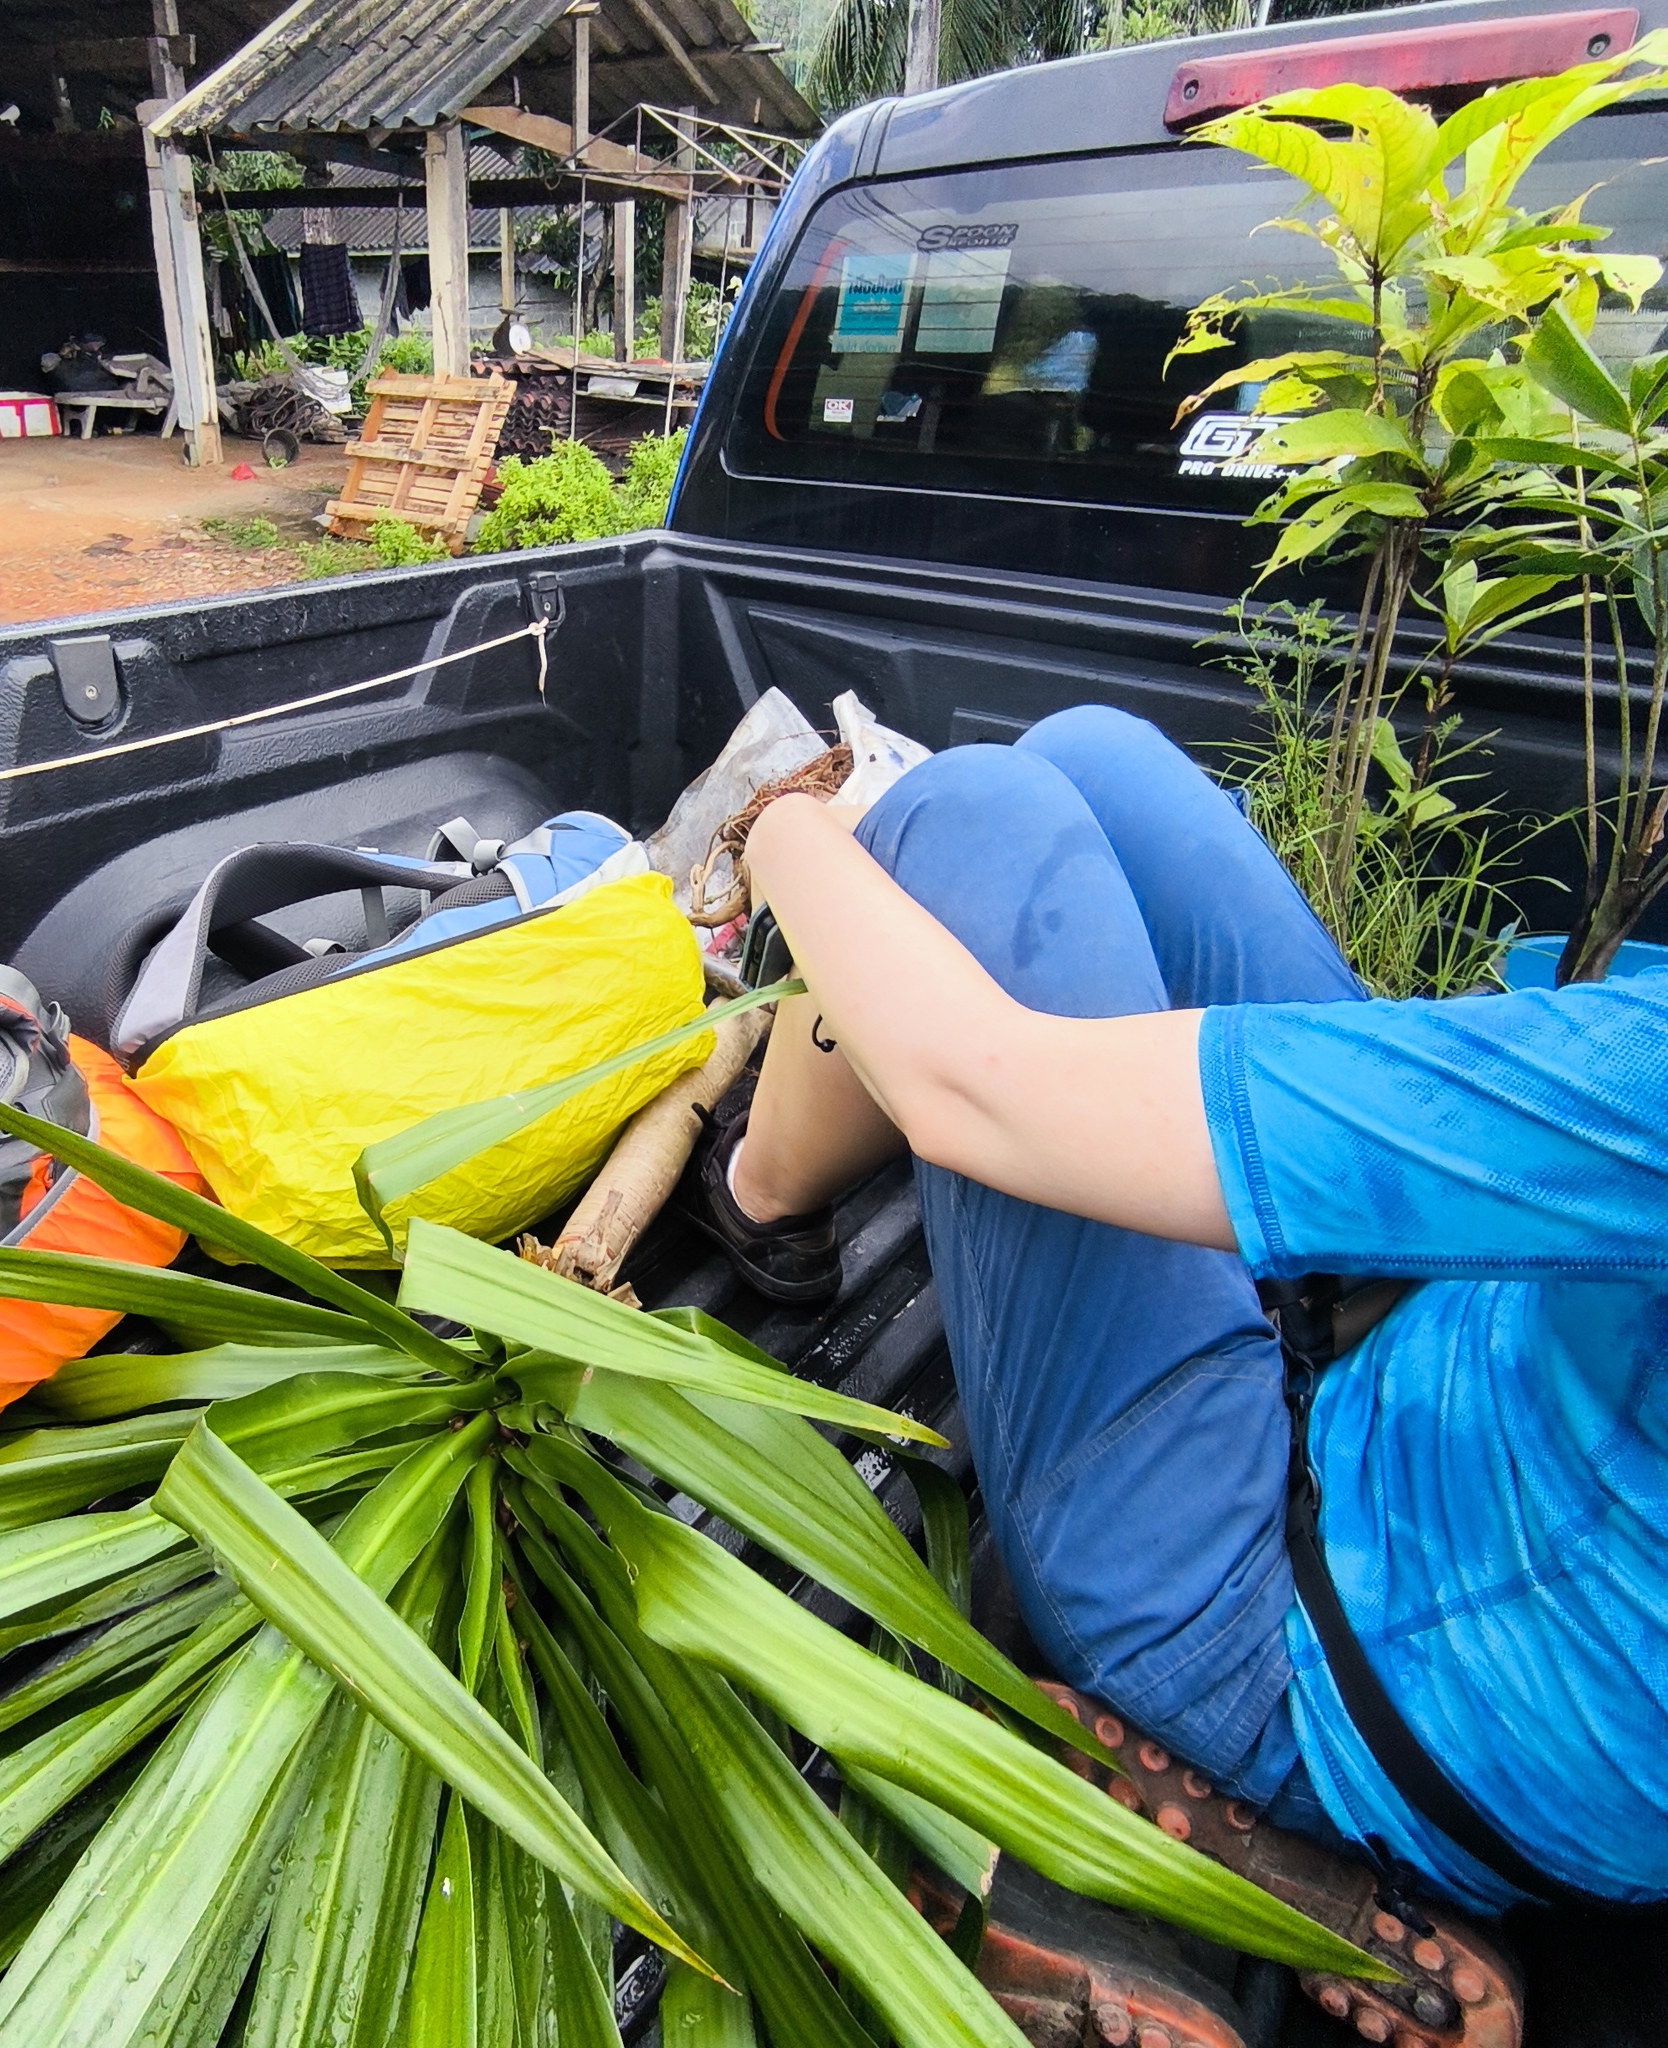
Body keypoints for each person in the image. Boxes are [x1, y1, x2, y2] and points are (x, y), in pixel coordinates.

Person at [675, 705, 1668, 2048]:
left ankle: (755, 1186)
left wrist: (780, 832)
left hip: (1315, 1636)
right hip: (1482, 1411)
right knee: (1095, 756)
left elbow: (980, 1089)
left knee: (967, 815)